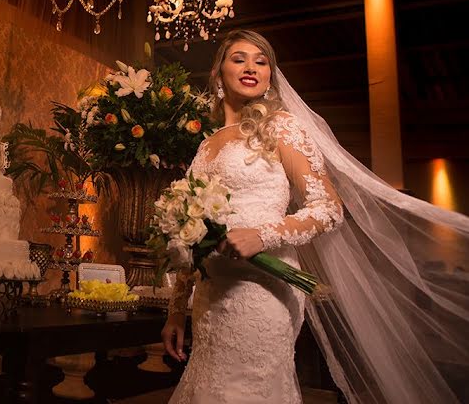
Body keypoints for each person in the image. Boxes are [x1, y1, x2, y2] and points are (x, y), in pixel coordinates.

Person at [162, 29, 469, 404]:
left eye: (262, 62)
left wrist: (262, 235)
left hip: (263, 291)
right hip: (211, 296)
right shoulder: (206, 144)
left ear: (271, 76)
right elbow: (188, 232)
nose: (251, 67)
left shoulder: (281, 128)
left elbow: (329, 208)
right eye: (239, 58)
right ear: (218, 72)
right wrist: (176, 310)